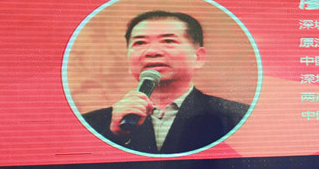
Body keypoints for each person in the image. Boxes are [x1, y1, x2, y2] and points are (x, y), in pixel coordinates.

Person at [82, 10, 250, 154]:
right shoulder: (92, 123)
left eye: (168, 41)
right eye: (140, 42)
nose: (152, 51)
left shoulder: (237, 118)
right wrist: (116, 136)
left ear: (198, 57)